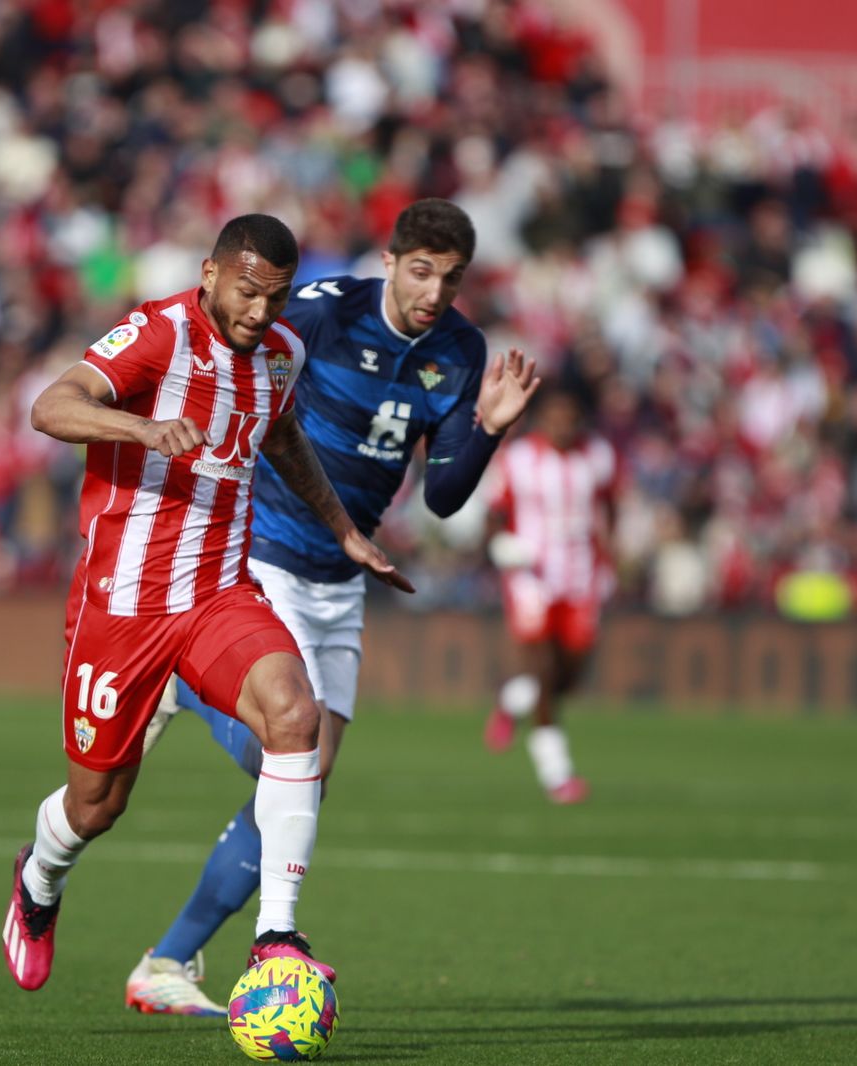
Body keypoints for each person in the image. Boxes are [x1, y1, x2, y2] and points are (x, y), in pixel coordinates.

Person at [125, 199, 540, 1015]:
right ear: (389, 261)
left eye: (450, 279)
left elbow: (447, 495)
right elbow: (251, 388)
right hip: (263, 552)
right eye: (421, 271)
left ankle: (166, 963)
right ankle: (181, 680)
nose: (434, 291)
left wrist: (487, 429)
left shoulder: (460, 349)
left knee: (302, 784)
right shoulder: (321, 312)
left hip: (343, 582)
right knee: (282, 751)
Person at [1, 213, 413, 993]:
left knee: (297, 717)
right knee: (95, 808)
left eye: (277, 296)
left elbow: (283, 437)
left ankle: (276, 937)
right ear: (211, 273)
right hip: (123, 605)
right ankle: (39, 882)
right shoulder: (158, 333)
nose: (261, 312)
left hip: (220, 592)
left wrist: (344, 529)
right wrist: (141, 427)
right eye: (249, 292)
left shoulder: (283, 354)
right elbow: (51, 406)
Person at [482, 386, 615, 803]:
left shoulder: (597, 457)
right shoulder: (518, 460)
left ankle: (511, 699)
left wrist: (610, 556)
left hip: (580, 577)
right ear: (541, 419)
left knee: (568, 677)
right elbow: (493, 513)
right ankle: (557, 774)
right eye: (555, 416)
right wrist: (501, 544)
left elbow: (611, 507)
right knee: (542, 670)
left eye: (570, 417)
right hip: (531, 579)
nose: (563, 424)